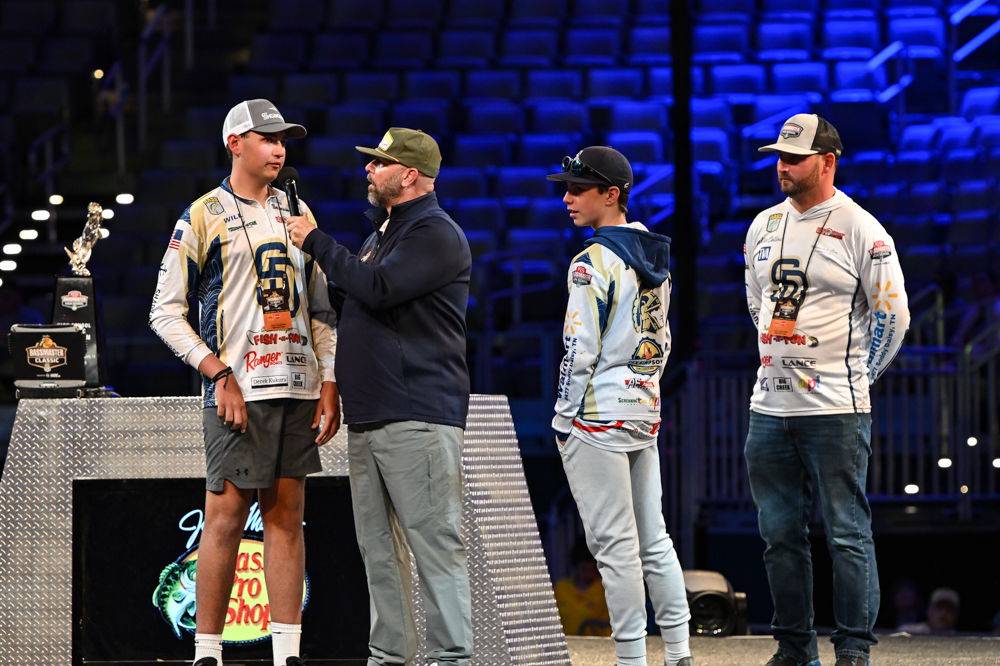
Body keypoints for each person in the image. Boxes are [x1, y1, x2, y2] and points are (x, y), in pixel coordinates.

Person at [150, 99, 340, 666]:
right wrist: (218, 373)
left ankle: (288, 655)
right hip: (239, 390)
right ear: (235, 143)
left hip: (299, 387)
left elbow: (322, 309)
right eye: (267, 138)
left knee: (286, 517)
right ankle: (207, 653)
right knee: (226, 517)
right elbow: (164, 312)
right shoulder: (203, 213)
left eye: (283, 140)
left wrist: (329, 380)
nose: (279, 149)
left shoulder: (299, 211)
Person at [285, 128, 474, 666]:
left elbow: (379, 288)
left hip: (416, 413)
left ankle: (452, 659)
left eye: (379, 163)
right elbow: (358, 296)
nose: (368, 170)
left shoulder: (435, 232)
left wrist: (317, 242)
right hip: (372, 416)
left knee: (434, 545)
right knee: (378, 550)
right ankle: (389, 656)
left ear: (409, 174)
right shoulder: (385, 234)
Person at [743, 114, 910, 666]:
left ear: (828, 161)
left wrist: (861, 376)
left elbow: (894, 316)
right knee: (778, 535)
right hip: (769, 407)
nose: (782, 166)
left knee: (846, 534)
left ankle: (853, 649)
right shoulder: (763, 225)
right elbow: (757, 301)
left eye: (794, 158)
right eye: (779, 157)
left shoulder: (862, 228)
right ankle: (794, 648)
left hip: (836, 408)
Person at [548, 146, 693, 666]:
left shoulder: (591, 262)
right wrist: (644, 388)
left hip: (596, 415)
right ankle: (679, 653)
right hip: (642, 408)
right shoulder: (655, 255)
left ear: (612, 194)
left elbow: (579, 348)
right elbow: (664, 340)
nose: (568, 198)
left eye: (578, 189)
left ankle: (632, 660)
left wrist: (563, 418)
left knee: (615, 548)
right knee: (654, 540)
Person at [553, 540, 612, 636]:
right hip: (563, 642)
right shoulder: (561, 588)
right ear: (576, 566)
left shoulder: (604, 590)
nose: (588, 575)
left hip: (593, 644)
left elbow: (608, 627)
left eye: (592, 570)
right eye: (584, 569)